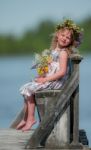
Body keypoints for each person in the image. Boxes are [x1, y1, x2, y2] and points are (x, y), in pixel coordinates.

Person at [16, 19, 83, 131]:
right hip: (50, 80)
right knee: (26, 89)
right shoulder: (51, 51)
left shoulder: (63, 53)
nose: (64, 39)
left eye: (68, 38)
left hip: (58, 82)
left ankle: (30, 119)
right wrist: (42, 76)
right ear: (57, 34)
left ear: (71, 41)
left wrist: (45, 80)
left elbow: (62, 72)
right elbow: (48, 68)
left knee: (29, 89)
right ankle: (25, 118)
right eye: (63, 35)